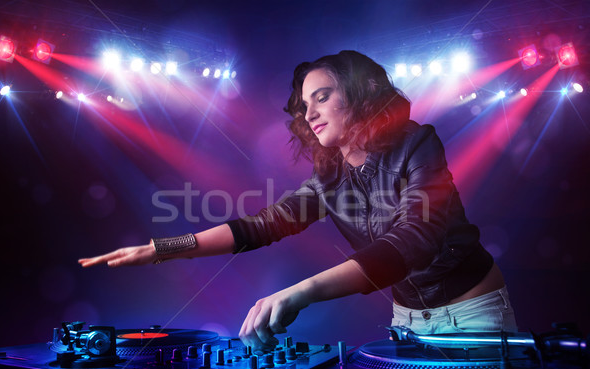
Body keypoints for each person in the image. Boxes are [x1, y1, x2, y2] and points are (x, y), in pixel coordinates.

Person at [79, 50, 517, 350]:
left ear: (360, 95)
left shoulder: (418, 142)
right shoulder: (328, 176)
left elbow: (413, 240)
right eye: (304, 104)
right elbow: (261, 225)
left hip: (472, 316)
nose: (308, 113)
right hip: (405, 322)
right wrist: (161, 250)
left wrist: (301, 293)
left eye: (322, 97)